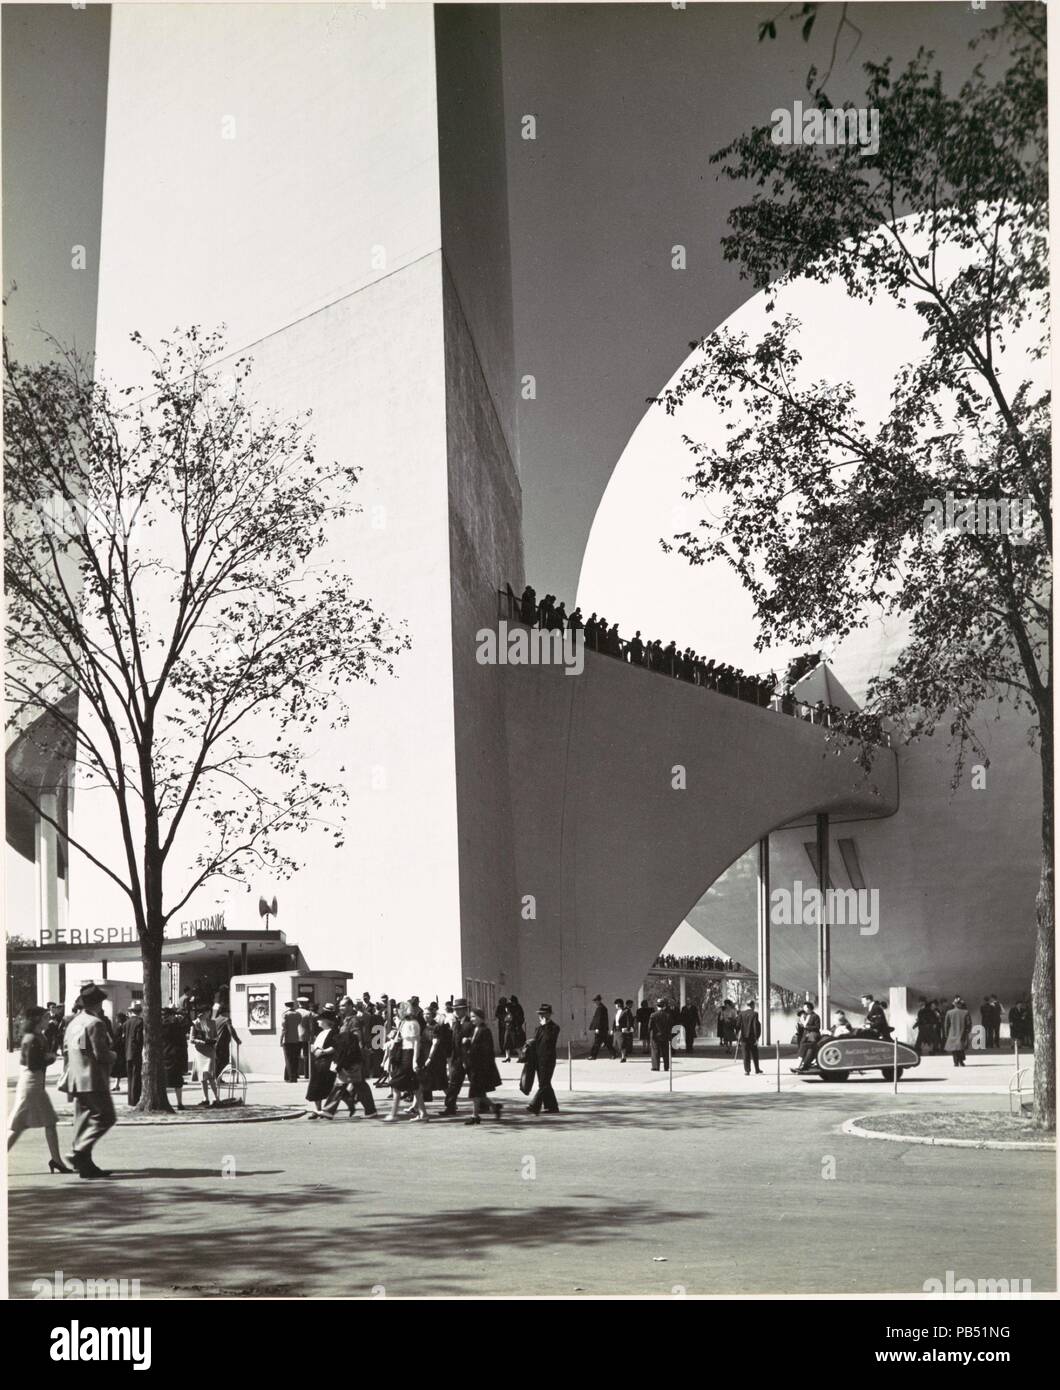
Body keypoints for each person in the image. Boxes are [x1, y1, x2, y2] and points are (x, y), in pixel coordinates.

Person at [56, 984, 116, 1178]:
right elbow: (100, 1054)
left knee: (82, 1120)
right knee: (106, 1117)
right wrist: (113, 1055)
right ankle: (79, 1152)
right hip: (93, 1078)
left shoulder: (74, 1023)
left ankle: (85, 1164)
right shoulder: (95, 1023)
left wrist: (81, 1060)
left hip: (76, 1077)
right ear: (97, 1003)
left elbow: (75, 1049)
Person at [8, 1006, 70, 1172]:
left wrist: (48, 1057)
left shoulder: (38, 1036)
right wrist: (49, 1059)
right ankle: (56, 1161)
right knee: (19, 1126)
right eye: (44, 1018)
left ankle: (57, 1160)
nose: (47, 1020)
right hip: (31, 1085)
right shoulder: (31, 1038)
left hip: (35, 1085)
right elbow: (32, 1064)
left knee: (48, 1122)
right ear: (36, 1020)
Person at [384, 1001, 428, 1122]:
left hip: (408, 1055)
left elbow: (416, 1042)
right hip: (405, 1054)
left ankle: (393, 1114)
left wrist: (414, 1061)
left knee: (397, 1085)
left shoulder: (412, 1023)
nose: (397, 1012)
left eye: (399, 1010)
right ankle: (423, 1114)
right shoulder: (405, 1023)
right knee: (415, 1086)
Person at [465, 1008, 503, 1125]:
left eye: (474, 1017)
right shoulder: (474, 1030)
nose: (472, 1019)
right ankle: (494, 1107)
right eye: (471, 1017)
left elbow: (487, 1050)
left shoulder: (485, 1030)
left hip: (480, 1067)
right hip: (474, 1066)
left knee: (476, 1092)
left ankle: (475, 1115)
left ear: (481, 1017)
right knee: (479, 1093)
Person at [305, 1003, 340, 1117]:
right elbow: (315, 1046)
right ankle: (318, 1109)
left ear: (325, 1021)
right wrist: (314, 1050)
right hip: (318, 1062)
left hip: (327, 1062)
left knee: (326, 1086)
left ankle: (326, 1109)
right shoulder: (320, 1033)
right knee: (315, 1086)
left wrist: (323, 1052)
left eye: (320, 1020)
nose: (317, 1022)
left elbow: (335, 1046)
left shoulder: (333, 1032)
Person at [526, 1004, 561, 1114]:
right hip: (538, 1059)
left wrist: (545, 1026)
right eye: (540, 1014)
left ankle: (535, 1105)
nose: (540, 1016)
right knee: (544, 1083)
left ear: (548, 1015)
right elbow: (536, 1042)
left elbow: (549, 1039)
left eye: (543, 1014)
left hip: (548, 1059)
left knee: (544, 1083)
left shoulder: (554, 1027)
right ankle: (552, 1107)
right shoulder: (538, 1028)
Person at [441, 997, 473, 1115]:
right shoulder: (455, 1024)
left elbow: (475, 1039)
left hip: (468, 1058)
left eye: (459, 1010)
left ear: (465, 1010)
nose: (457, 1012)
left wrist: (468, 1040)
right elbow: (452, 1040)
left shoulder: (470, 1023)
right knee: (454, 1083)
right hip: (457, 1058)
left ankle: (484, 1104)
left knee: (474, 1082)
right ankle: (450, 1106)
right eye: (455, 1010)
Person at [191, 1005, 220, 1106]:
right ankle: (205, 1098)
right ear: (203, 1012)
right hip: (200, 1052)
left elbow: (216, 1036)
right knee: (203, 1076)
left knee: (210, 1075)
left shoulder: (212, 1023)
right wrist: (202, 1042)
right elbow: (192, 1039)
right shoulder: (195, 1023)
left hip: (210, 1051)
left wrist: (213, 1041)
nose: (209, 1013)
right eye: (207, 1012)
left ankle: (216, 1098)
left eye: (209, 1012)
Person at [163, 1006, 189, 1110]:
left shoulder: (160, 1026)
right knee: (177, 1082)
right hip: (175, 1056)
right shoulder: (177, 1026)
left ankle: (167, 1103)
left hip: (164, 1056)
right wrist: (182, 1015)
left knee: (164, 1082)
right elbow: (188, 1024)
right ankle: (179, 1103)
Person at [791, 1002, 822, 1073]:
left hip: (812, 1037)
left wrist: (806, 1027)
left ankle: (799, 1066)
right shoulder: (806, 1016)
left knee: (804, 1049)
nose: (804, 1009)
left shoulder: (815, 1016)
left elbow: (817, 1027)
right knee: (802, 1050)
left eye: (805, 1007)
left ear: (808, 1008)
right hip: (806, 1037)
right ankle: (799, 1066)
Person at [125, 1002, 144, 1106]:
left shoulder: (127, 1023)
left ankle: (130, 1100)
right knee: (137, 1076)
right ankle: (135, 1099)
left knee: (130, 1077)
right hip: (136, 1052)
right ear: (140, 1011)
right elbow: (139, 1039)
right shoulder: (140, 1022)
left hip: (127, 1052)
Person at [737, 998, 763, 1075]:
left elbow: (738, 1025)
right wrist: (757, 1037)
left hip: (744, 1038)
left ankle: (747, 1070)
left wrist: (737, 1034)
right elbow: (755, 1026)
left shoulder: (741, 1014)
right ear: (753, 1005)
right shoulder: (754, 1014)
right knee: (755, 1053)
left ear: (747, 1005)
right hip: (752, 1037)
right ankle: (757, 1069)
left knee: (745, 1054)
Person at [944, 996, 972, 1067]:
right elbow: (969, 1023)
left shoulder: (949, 1012)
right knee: (960, 1047)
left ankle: (956, 1062)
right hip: (962, 1032)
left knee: (954, 1048)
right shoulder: (966, 1012)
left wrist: (946, 1034)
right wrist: (967, 1031)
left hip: (952, 1033)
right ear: (960, 1004)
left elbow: (946, 1025)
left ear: (954, 1004)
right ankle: (961, 1061)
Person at [214, 1005, 241, 1075]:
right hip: (222, 1044)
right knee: (224, 1061)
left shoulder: (215, 1020)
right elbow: (231, 1030)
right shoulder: (226, 1019)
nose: (229, 1014)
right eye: (228, 1012)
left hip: (215, 1043)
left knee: (217, 1061)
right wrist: (237, 1040)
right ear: (225, 1012)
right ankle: (216, 1077)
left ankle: (216, 1077)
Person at [649, 998, 673, 1072]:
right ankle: (666, 1066)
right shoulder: (668, 1015)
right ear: (664, 1006)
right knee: (666, 1052)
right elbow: (670, 1026)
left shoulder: (653, 1015)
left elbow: (650, 1027)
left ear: (657, 1006)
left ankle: (656, 1066)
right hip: (665, 1036)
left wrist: (650, 1035)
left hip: (655, 1037)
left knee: (655, 1051)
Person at [280, 1001, 302, 1082]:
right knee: (295, 1058)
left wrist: (281, 1039)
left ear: (286, 1006)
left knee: (288, 1059)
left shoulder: (285, 1014)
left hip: (287, 1039)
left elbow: (284, 1028)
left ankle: (291, 1077)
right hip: (296, 1038)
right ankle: (291, 1076)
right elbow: (299, 1022)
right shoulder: (298, 1014)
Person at [588, 994, 615, 1059]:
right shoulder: (602, 1007)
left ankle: (593, 1056)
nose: (594, 1002)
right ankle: (614, 1054)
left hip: (600, 1029)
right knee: (607, 1042)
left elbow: (599, 1019)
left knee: (596, 1042)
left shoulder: (600, 1008)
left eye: (595, 1001)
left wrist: (597, 1028)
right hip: (603, 1029)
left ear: (598, 1001)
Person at [111, 1012, 128, 1093]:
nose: (115, 1019)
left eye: (117, 1018)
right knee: (119, 1069)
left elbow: (118, 1040)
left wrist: (112, 1047)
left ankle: (116, 1085)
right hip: (122, 1049)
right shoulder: (124, 1027)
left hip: (119, 1050)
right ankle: (116, 1084)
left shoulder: (120, 1028)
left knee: (118, 1068)